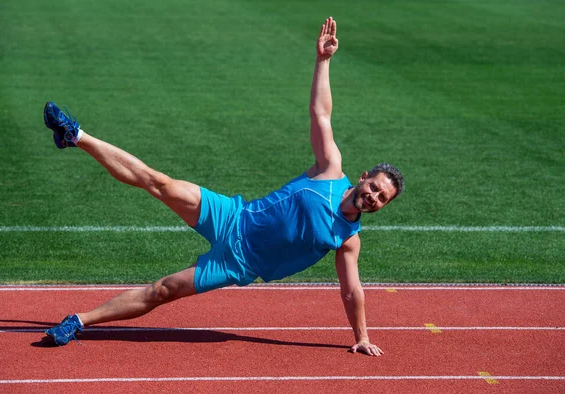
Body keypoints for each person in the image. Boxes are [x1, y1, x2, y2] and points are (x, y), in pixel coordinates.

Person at [43, 16, 403, 357]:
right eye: (374, 187)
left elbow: (351, 291)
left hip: (237, 262)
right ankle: (76, 135)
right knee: (160, 183)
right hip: (233, 215)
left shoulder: (347, 239)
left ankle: (78, 321)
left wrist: (362, 337)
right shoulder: (329, 170)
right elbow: (321, 114)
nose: (373, 197)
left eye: (381, 198)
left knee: (162, 290)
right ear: (363, 177)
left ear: (382, 206)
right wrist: (322, 61)